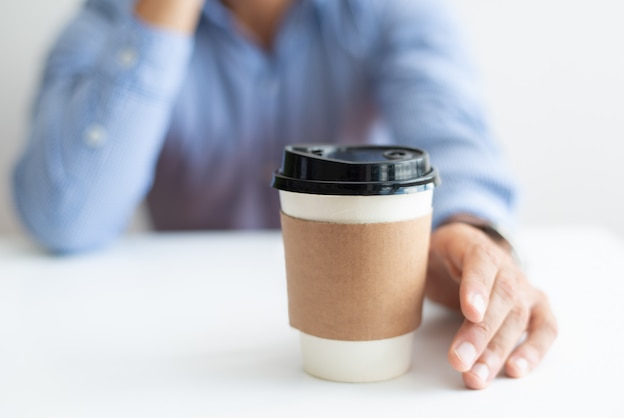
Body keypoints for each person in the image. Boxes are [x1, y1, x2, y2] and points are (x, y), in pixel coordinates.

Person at [11, 0, 557, 390]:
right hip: (180, 357)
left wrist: (471, 230)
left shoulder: (388, 10)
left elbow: (456, 141)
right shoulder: (116, 18)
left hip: (366, 340)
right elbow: (64, 214)